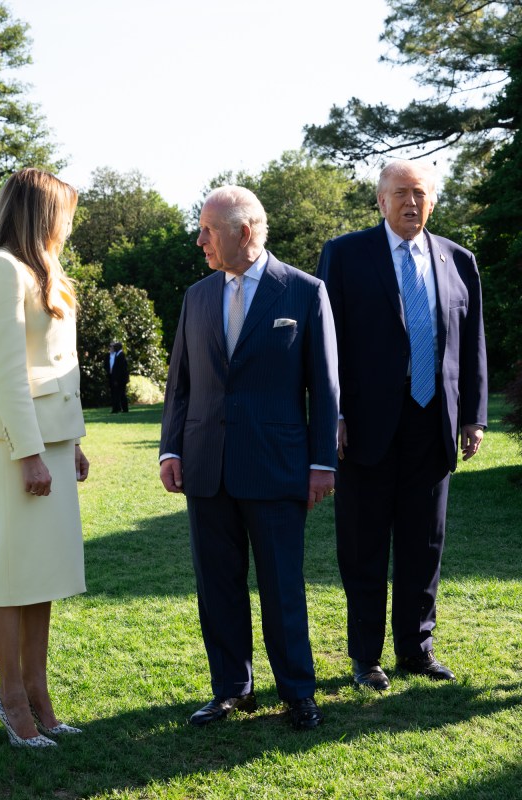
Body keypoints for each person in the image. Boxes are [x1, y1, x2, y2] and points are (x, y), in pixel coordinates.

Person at [159, 185, 339, 731]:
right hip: (206, 464)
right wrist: (171, 447)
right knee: (217, 586)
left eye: (208, 231)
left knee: (283, 583)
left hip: (277, 465)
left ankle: (298, 691)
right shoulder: (196, 296)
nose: (200, 241)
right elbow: (180, 383)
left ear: (245, 232)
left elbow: (325, 388)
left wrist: (322, 463)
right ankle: (230, 690)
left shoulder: (304, 292)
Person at [317, 160, 488, 691]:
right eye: (400, 194)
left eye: (420, 194)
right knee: (364, 544)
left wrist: (473, 416)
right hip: (364, 430)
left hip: (432, 425)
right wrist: (334, 414)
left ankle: (417, 649)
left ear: (432, 201)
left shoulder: (459, 260)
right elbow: (326, 346)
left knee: (424, 544)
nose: (411, 203)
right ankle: (366, 656)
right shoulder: (344, 256)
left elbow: (472, 344)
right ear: (380, 201)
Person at [0, 167, 90, 748]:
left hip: (54, 440)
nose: (69, 222)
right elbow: (10, 374)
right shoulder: (0, 270)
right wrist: (31, 454)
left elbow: (60, 362)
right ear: (40, 211)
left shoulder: (48, 271)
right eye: (64, 211)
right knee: (14, 573)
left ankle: (39, 695)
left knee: (45, 574)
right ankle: (10, 697)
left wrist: (73, 440)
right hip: (21, 442)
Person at [106, 341, 129, 413]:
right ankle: (118, 408)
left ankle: (124, 409)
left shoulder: (121, 355)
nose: (113, 348)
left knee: (122, 394)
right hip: (117, 378)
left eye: (115, 346)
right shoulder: (118, 355)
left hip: (120, 379)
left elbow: (121, 369)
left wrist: (116, 379)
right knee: (118, 394)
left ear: (118, 347)